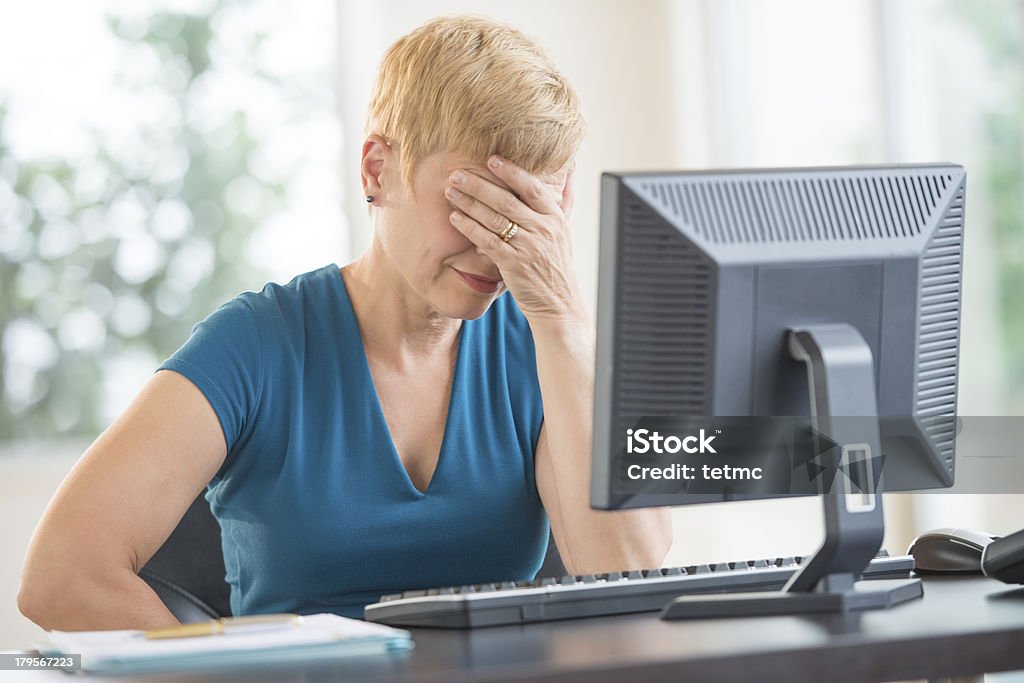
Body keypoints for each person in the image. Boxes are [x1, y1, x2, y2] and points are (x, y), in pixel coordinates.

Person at [19, 15, 672, 630]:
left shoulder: (547, 350)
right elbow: (61, 574)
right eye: (472, 202)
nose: (497, 245)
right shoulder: (256, 344)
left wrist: (563, 320)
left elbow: (630, 575)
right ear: (377, 170)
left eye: (527, 215)